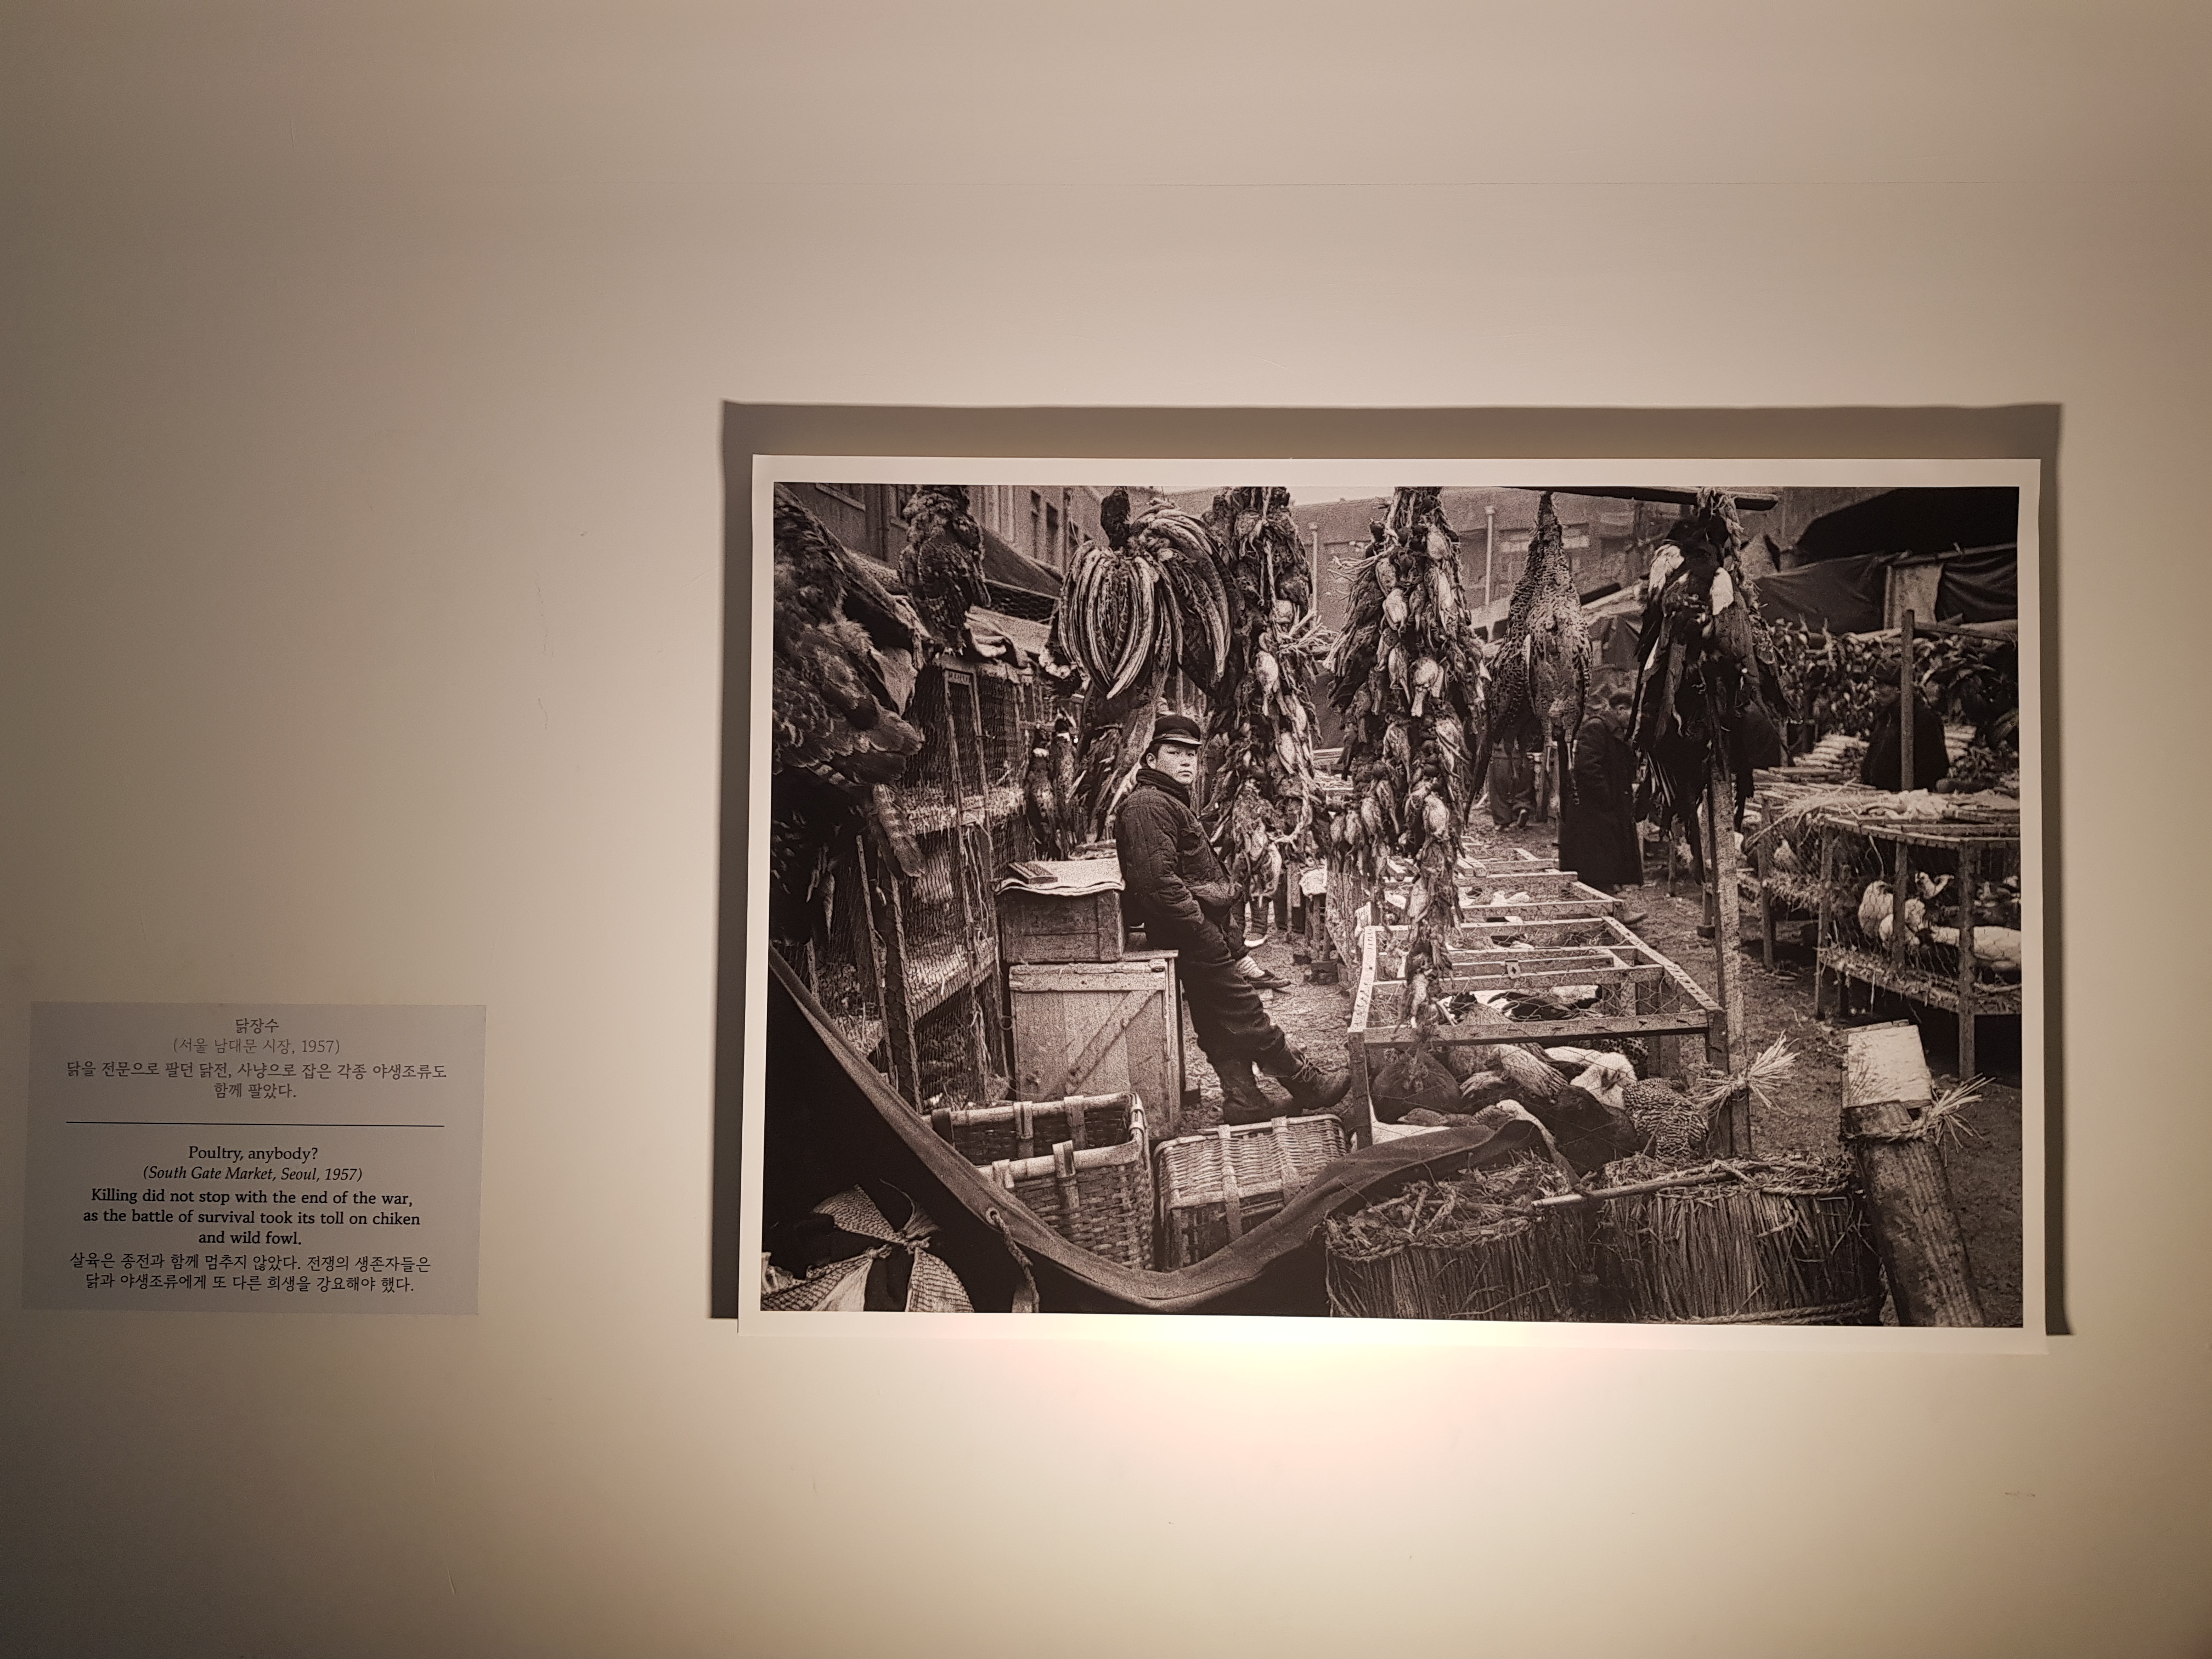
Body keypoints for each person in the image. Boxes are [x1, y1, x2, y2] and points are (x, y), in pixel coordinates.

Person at [1115, 713, 1351, 1125]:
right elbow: (1158, 884)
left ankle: (1244, 1101)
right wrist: (1202, 931)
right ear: (1151, 760)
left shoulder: (1166, 801)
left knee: (1215, 1020)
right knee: (1245, 1011)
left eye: (1191, 754)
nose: (1186, 761)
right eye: (1174, 753)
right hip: (1190, 934)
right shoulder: (1149, 805)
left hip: (1193, 932)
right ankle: (1306, 1083)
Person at [1560, 689, 1646, 924]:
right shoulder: (1597, 728)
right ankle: (1614, 911)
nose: (1636, 719)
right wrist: (1607, 798)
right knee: (1601, 864)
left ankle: (1607, 909)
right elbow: (1587, 767)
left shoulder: (1612, 730)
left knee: (1605, 863)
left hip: (1606, 808)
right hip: (1594, 810)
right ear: (1620, 710)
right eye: (1633, 713)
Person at [1860, 684, 1950, 792]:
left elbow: (1936, 767)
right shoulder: (1885, 716)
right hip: (1878, 792)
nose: (1877, 692)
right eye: (1876, 687)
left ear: (1898, 689)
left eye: (1882, 686)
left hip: (1907, 795)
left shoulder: (1923, 718)